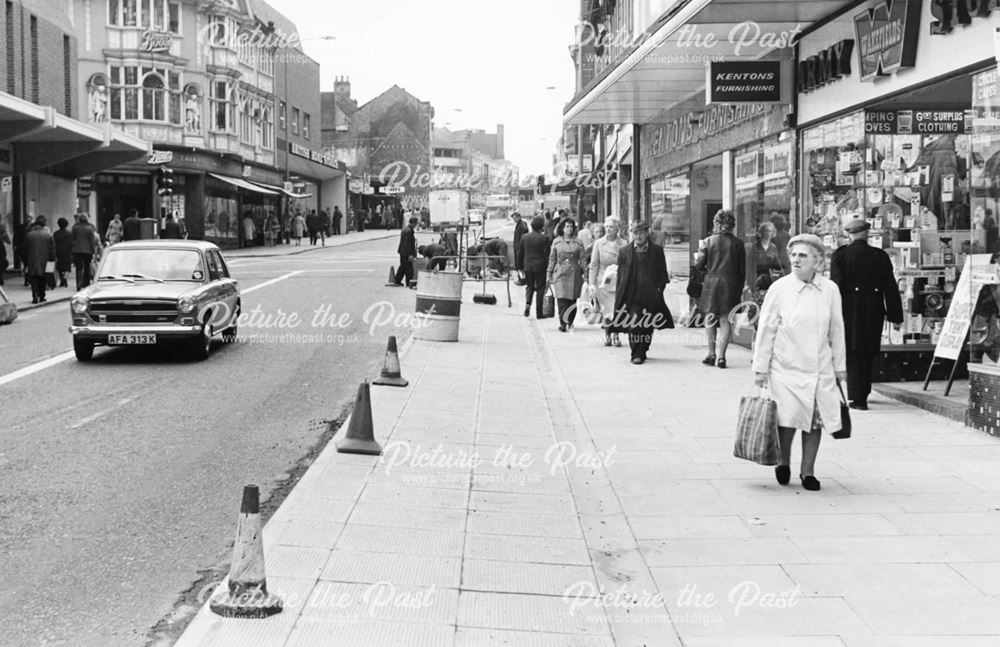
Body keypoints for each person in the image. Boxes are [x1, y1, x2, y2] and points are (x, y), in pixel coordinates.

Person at [753, 233, 847, 492]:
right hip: (786, 366)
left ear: (817, 261)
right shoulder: (780, 288)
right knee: (788, 418)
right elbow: (766, 328)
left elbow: (837, 329)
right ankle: (783, 461)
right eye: (793, 255)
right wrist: (760, 367)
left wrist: (840, 366)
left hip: (819, 367)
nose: (795, 260)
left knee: (814, 421)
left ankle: (808, 471)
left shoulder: (830, 290)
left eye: (802, 256)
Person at [830, 219, 904, 410]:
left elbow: (835, 287)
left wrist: (830, 314)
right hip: (874, 309)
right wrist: (896, 316)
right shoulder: (880, 256)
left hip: (849, 310)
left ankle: (857, 396)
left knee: (852, 350)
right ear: (867, 234)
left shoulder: (840, 256)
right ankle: (863, 391)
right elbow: (891, 287)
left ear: (849, 234)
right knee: (868, 350)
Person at [606, 220, 673, 364]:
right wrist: (620, 295)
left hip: (651, 296)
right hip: (632, 296)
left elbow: (663, 274)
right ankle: (636, 353)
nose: (638, 236)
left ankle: (643, 349)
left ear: (647, 233)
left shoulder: (657, 251)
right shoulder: (625, 251)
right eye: (635, 233)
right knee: (634, 324)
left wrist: (659, 289)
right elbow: (621, 276)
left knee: (647, 326)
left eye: (641, 233)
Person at [695, 209, 746, 369]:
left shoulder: (708, 241)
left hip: (711, 284)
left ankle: (711, 354)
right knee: (725, 320)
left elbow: (699, 265)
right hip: (730, 284)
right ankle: (722, 357)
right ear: (732, 225)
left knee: (710, 319)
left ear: (716, 223)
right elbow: (741, 269)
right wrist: (739, 289)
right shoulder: (738, 244)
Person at [589, 216, 627, 347]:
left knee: (616, 309)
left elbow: (628, 264)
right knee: (606, 310)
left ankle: (616, 335)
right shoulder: (599, 243)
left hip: (618, 280)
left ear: (617, 228)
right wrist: (591, 284)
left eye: (611, 227)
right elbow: (594, 265)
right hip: (603, 282)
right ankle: (607, 335)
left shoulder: (624, 244)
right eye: (607, 227)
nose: (608, 229)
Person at [546, 217, 587, 332]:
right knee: (562, 300)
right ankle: (563, 323)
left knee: (572, 300)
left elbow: (583, 260)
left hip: (574, 273)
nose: (569, 229)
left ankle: (570, 321)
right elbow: (552, 259)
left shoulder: (578, 242)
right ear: (562, 228)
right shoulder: (556, 242)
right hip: (560, 273)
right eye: (567, 227)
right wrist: (549, 274)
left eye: (571, 227)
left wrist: (586, 275)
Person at [745, 221, 789, 302]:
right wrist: (749, 283)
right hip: (756, 278)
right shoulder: (755, 246)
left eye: (770, 231)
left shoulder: (773, 247)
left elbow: (777, 265)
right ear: (761, 232)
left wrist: (783, 275)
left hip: (768, 279)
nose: (768, 234)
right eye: (766, 231)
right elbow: (750, 265)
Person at [517, 216, 551, 319]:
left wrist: (520, 267)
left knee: (529, 287)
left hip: (528, 266)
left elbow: (520, 253)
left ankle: (528, 304)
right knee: (540, 289)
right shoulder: (544, 238)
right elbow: (547, 255)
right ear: (541, 226)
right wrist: (549, 269)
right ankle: (539, 313)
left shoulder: (524, 237)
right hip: (540, 267)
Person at [24, 216, 54, 304]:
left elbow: (24, 249)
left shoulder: (29, 235)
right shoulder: (48, 235)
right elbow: (52, 249)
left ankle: (35, 295)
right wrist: (52, 260)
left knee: (33, 278)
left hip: (32, 260)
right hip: (45, 260)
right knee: (43, 279)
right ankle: (42, 295)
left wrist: (25, 261)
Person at [71, 214, 100, 290]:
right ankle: (86, 283)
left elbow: (72, 238)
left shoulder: (75, 227)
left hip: (77, 250)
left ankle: (78, 284)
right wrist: (93, 251)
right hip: (87, 250)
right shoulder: (90, 228)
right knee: (87, 268)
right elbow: (91, 241)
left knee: (79, 268)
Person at [394, 216, 419, 287]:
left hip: (402, 251)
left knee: (403, 266)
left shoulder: (405, 229)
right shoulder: (409, 231)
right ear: (414, 223)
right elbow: (408, 244)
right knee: (408, 268)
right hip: (406, 252)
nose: (416, 225)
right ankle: (408, 282)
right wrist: (410, 254)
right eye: (416, 223)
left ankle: (397, 280)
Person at [53, 217, 72, 288]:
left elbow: (54, 244)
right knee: (67, 267)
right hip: (67, 252)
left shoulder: (56, 234)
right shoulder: (69, 233)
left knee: (60, 268)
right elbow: (71, 243)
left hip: (59, 252)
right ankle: (65, 278)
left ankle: (61, 280)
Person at [512, 212, 528, 283]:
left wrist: (519, 248)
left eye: (515, 218)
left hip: (520, 248)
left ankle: (522, 280)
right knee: (519, 265)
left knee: (520, 265)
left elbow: (522, 237)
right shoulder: (520, 225)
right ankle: (522, 279)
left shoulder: (522, 226)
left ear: (519, 217)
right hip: (518, 247)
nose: (514, 220)